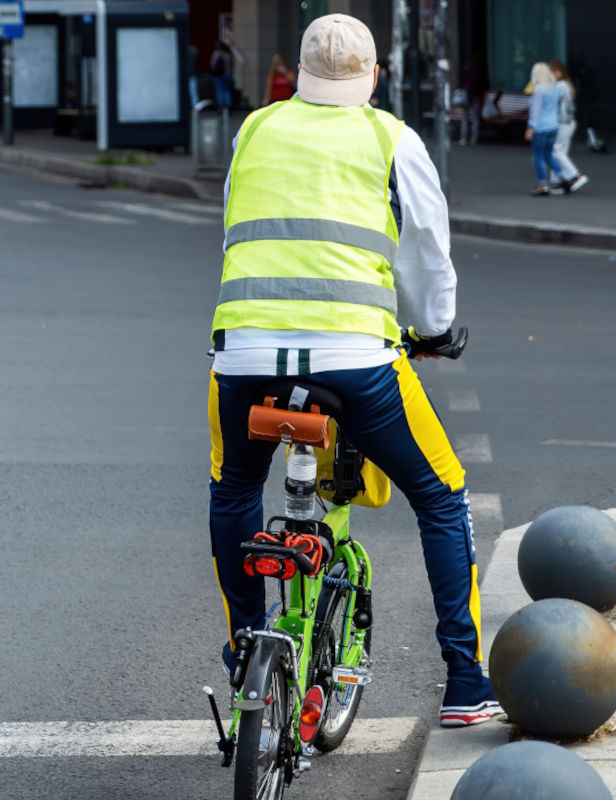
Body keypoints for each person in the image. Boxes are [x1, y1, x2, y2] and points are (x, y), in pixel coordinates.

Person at [208, 13, 503, 728]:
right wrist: (432, 331)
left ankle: (245, 647)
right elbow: (428, 251)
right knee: (441, 496)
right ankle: (465, 683)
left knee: (234, 489)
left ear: (300, 75)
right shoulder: (390, 138)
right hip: (356, 360)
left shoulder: (254, 130)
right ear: (374, 76)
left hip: (245, 352)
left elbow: (235, 229)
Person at [526, 62, 584, 196]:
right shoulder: (554, 88)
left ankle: (543, 185)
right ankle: (563, 178)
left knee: (539, 156)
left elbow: (536, 111)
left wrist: (530, 127)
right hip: (553, 126)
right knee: (549, 154)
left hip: (541, 127)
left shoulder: (539, 90)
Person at [548, 58, 588, 193]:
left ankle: (575, 176)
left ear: (559, 72)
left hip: (563, 122)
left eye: (553, 72)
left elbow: (552, 102)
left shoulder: (559, 86)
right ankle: (561, 180)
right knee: (560, 151)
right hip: (569, 122)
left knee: (556, 151)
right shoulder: (566, 85)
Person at [458, 53, 486, 146]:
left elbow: (461, 81)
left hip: (467, 95)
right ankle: (473, 139)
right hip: (475, 95)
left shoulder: (466, 67)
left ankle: (464, 138)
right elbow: (484, 83)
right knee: (475, 118)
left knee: (465, 117)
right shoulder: (479, 68)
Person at [210, 42, 234, 109]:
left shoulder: (217, 53)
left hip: (219, 75)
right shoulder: (228, 54)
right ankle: (227, 106)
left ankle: (221, 106)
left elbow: (213, 64)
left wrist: (212, 72)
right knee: (227, 91)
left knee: (219, 90)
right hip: (228, 74)